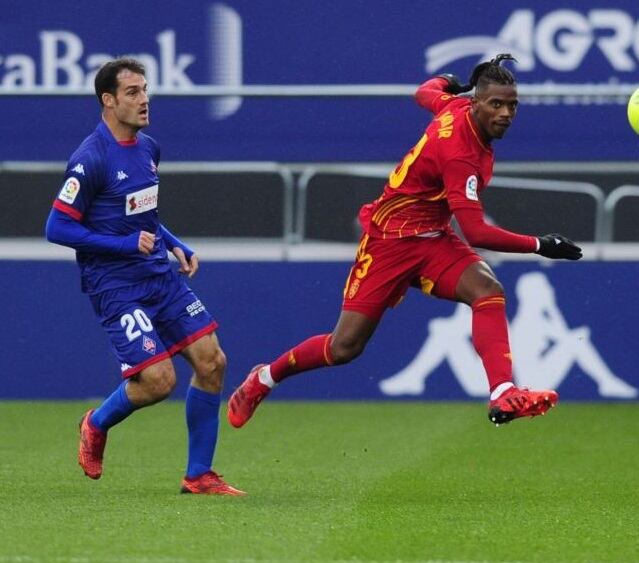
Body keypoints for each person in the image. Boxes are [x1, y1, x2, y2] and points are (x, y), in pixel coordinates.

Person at [228, 53, 583, 428]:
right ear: (476, 103)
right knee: (344, 347)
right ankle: (263, 378)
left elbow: (425, 92)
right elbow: (477, 233)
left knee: (486, 290)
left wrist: (448, 82)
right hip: (390, 241)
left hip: (432, 239)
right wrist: (542, 245)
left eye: (512, 105)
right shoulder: (460, 152)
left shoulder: (455, 105)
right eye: (496, 104)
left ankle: (501, 392)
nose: (506, 113)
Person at [45, 58, 244, 496]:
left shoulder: (148, 148)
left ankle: (199, 476)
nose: (144, 99)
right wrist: (123, 246)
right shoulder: (90, 158)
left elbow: (142, 213)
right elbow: (56, 228)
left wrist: (173, 242)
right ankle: (95, 423)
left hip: (159, 274)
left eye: (145, 89)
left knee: (212, 362)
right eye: (133, 92)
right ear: (108, 100)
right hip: (115, 285)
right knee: (157, 382)